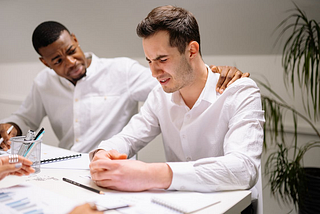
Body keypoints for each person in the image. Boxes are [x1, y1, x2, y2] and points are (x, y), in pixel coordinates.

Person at [85, 5, 264, 213]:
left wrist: (151, 174)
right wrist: (102, 153)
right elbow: (129, 137)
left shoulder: (240, 91)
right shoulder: (159, 96)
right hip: (180, 206)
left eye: (162, 59)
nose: (154, 72)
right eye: (150, 61)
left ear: (191, 50)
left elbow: (244, 169)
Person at [0, 21, 248, 153]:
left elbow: (174, 76)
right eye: (57, 61)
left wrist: (213, 73)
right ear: (45, 63)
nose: (71, 62)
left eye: (71, 51)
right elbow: (25, 117)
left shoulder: (122, 71)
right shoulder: (43, 83)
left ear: (75, 40)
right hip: (68, 164)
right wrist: (11, 127)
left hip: (113, 167)